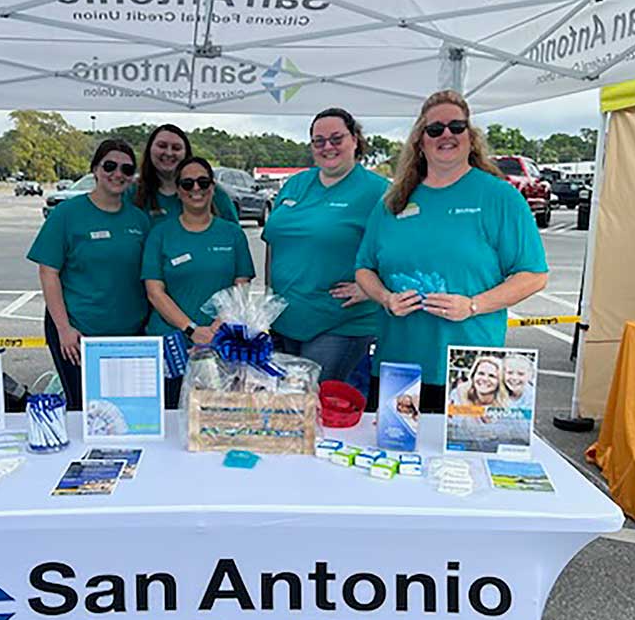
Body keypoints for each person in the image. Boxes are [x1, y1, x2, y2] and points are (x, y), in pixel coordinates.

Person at [355, 89, 549, 413]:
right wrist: (386, 298)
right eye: (435, 129)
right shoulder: (392, 202)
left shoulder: (500, 197)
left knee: (467, 448)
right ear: (420, 142)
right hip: (398, 367)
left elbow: (534, 275)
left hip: (469, 370)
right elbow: (364, 268)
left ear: (470, 138)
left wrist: (473, 305)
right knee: (395, 446)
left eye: (456, 127)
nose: (446, 134)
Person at [261, 107, 388, 387]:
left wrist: (372, 289)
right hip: (283, 321)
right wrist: (270, 295)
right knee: (286, 403)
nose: (327, 147)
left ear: (355, 139)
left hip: (338, 323)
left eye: (336, 139)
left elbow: (403, 250)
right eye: (318, 141)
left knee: (308, 400)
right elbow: (273, 240)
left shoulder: (378, 191)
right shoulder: (296, 184)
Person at [28, 139, 150, 410]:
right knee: (83, 411)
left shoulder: (139, 220)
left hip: (128, 336)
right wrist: (64, 329)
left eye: (126, 169)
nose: (117, 174)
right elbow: (48, 272)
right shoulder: (67, 214)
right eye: (110, 166)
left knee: (124, 411)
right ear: (95, 169)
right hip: (78, 334)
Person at [142, 157, 255, 408]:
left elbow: (242, 286)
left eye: (203, 182)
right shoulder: (160, 234)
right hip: (172, 345)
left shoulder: (232, 234)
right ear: (178, 190)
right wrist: (192, 330)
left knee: (214, 418)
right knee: (169, 417)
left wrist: (216, 329)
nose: (196, 189)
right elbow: (154, 292)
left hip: (221, 343)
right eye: (188, 183)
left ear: (212, 188)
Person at [133, 124, 239, 223]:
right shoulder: (132, 193)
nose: (169, 153)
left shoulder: (213, 193)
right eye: (162, 146)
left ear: (186, 153)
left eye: (176, 148)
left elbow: (234, 233)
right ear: (149, 150)